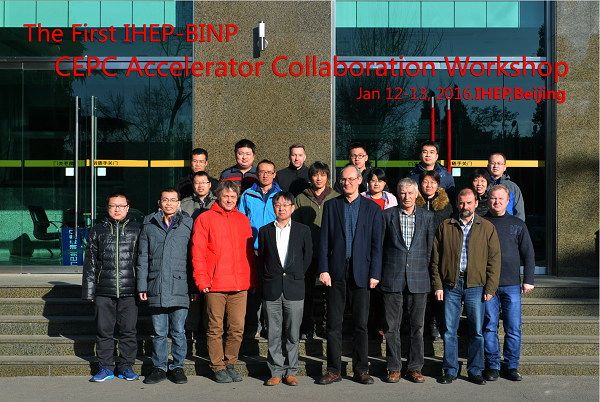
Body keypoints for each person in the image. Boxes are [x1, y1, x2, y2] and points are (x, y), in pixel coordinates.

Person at [317, 165, 383, 385]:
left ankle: (361, 369)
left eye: (351, 179)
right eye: (344, 180)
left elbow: (377, 244)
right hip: (335, 271)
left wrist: (375, 273)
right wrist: (323, 269)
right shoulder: (331, 205)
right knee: (333, 323)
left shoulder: (372, 208)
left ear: (360, 180)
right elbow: (324, 240)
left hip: (362, 272)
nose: (347, 183)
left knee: (361, 324)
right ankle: (333, 370)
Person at [431, 188, 501, 385]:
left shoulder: (487, 227)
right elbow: (435, 259)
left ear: (476, 204)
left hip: (476, 285)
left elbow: (494, 261)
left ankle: (475, 370)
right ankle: (450, 370)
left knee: (476, 331)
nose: (465, 206)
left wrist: (490, 288)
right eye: (461, 202)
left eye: (469, 202)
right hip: (451, 285)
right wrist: (437, 285)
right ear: (456, 203)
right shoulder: (446, 226)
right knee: (449, 331)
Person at [191, 181, 258, 384]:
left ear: (237, 198)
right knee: (215, 328)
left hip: (240, 284)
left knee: (237, 328)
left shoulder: (243, 220)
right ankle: (217, 366)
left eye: (233, 196)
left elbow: (249, 253)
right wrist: (201, 280)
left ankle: (230, 363)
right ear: (218, 196)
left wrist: (252, 279)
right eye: (226, 196)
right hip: (215, 283)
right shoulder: (205, 218)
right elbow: (198, 251)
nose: (229, 200)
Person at [137, 187, 194, 385]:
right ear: (159, 203)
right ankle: (159, 368)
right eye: (165, 200)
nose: (169, 203)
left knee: (178, 331)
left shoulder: (188, 224)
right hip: (156, 285)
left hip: (180, 286)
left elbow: (193, 258)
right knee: (159, 333)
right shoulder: (149, 225)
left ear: (179, 203)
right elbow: (142, 258)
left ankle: (178, 367)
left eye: (172, 200)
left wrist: (193, 287)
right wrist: (142, 286)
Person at [82, 192, 141, 382]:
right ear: (107, 208)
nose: (117, 209)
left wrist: (142, 287)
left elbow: (142, 261)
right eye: (113, 205)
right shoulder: (97, 230)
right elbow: (90, 263)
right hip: (103, 290)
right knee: (104, 331)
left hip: (129, 289)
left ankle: (126, 367)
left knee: (128, 331)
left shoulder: (137, 229)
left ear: (127, 208)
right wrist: (89, 290)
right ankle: (105, 367)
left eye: (121, 206)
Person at [381, 178, 435, 384]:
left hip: (419, 278)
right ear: (398, 193)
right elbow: (380, 247)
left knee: (417, 327)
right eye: (403, 193)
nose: (406, 197)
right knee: (391, 327)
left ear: (416, 194)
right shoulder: (386, 215)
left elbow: (430, 250)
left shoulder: (427, 216)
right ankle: (394, 367)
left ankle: (415, 367)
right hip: (391, 277)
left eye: (410, 193)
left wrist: (429, 277)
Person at [258, 191, 312, 386]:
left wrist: (296, 274)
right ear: (273, 208)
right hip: (272, 287)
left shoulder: (302, 230)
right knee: (273, 332)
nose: (281, 208)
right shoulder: (264, 231)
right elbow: (262, 258)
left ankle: (291, 371)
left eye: (285, 204)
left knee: (292, 333)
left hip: (294, 287)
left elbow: (307, 257)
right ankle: (275, 370)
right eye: (278, 205)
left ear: (292, 207)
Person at [483, 185, 535, 382]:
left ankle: (511, 366)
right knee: (489, 327)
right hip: (488, 285)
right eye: (493, 198)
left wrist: (528, 279)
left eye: (501, 199)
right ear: (488, 200)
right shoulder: (481, 223)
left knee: (513, 328)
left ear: (508, 201)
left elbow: (528, 253)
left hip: (512, 284)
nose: (497, 202)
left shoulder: (518, 224)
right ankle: (493, 365)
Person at [293, 161, 340, 339]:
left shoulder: (336, 197)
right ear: (310, 177)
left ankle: (328, 326)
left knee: (331, 292)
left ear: (327, 177)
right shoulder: (301, 198)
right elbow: (296, 226)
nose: (319, 178)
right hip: (308, 252)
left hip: (330, 253)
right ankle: (307, 326)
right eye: (315, 174)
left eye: (322, 175)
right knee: (307, 291)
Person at [238, 159, 282, 339]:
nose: (265, 175)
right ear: (257, 174)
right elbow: (241, 221)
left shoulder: (281, 196)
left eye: (269, 172)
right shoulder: (247, 195)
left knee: (271, 290)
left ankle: (268, 326)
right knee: (253, 289)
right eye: (262, 172)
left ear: (274, 174)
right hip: (253, 250)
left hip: (274, 250)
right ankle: (252, 326)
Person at [415, 170, 453, 341]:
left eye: (433, 182)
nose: (429, 185)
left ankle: (435, 323)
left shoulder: (446, 205)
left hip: (440, 252)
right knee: (421, 291)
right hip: (419, 252)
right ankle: (420, 324)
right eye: (425, 182)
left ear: (438, 185)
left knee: (439, 289)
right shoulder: (414, 202)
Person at [180, 170, 217, 340]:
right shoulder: (184, 204)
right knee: (193, 293)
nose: (200, 186)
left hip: (213, 253)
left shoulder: (218, 202)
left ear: (210, 184)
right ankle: (191, 328)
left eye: (204, 182)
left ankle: (209, 328)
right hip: (191, 251)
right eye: (197, 182)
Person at [487, 152, 525, 221]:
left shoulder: (513, 187)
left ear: (505, 167)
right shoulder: (482, 186)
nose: (495, 166)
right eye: (492, 163)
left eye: (499, 163)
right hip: (486, 226)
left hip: (508, 225)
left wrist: (517, 226)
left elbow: (520, 214)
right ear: (488, 166)